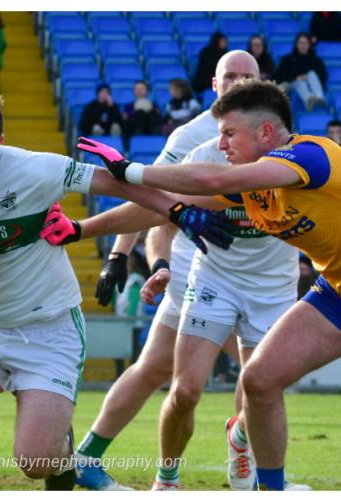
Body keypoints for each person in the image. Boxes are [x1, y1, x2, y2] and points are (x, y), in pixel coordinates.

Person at [75, 79, 341, 491]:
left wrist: (130, 169)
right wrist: (79, 229)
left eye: (229, 134)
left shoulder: (313, 154)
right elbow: (155, 209)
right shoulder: (252, 190)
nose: (222, 145)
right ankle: (269, 490)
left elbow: (213, 181)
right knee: (258, 379)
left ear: (266, 133)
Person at [0, 88, 227, 491]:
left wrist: (176, 210)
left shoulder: (37, 169)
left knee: (36, 460)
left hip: (49, 329)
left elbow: (120, 187)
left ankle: (61, 449)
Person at [54, 51, 272, 492]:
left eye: (245, 76)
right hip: (202, 272)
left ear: (261, 81)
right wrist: (125, 256)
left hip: (260, 279)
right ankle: (104, 460)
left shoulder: (275, 136)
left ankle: (241, 443)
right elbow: (151, 197)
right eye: (228, 76)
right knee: (170, 372)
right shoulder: (193, 137)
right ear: (213, 84)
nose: (235, 83)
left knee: (255, 375)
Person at [275, 32, 328, 112]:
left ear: (309, 45)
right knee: (299, 82)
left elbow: (323, 75)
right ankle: (308, 98)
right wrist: (296, 77)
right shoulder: (287, 59)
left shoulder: (316, 60)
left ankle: (319, 97)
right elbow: (280, 75)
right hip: (293, 83)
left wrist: (307, 77)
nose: (303, 46)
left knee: (312, 74)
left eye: (306, 43)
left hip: (312, 82)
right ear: (296, 44)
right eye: (300, 43)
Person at [192, 31, 228, 95]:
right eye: (221, 41)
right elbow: (207, 68)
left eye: (224, 41)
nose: (224, 43)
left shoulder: (226, 53)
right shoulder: (206, 52)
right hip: (205, 82)